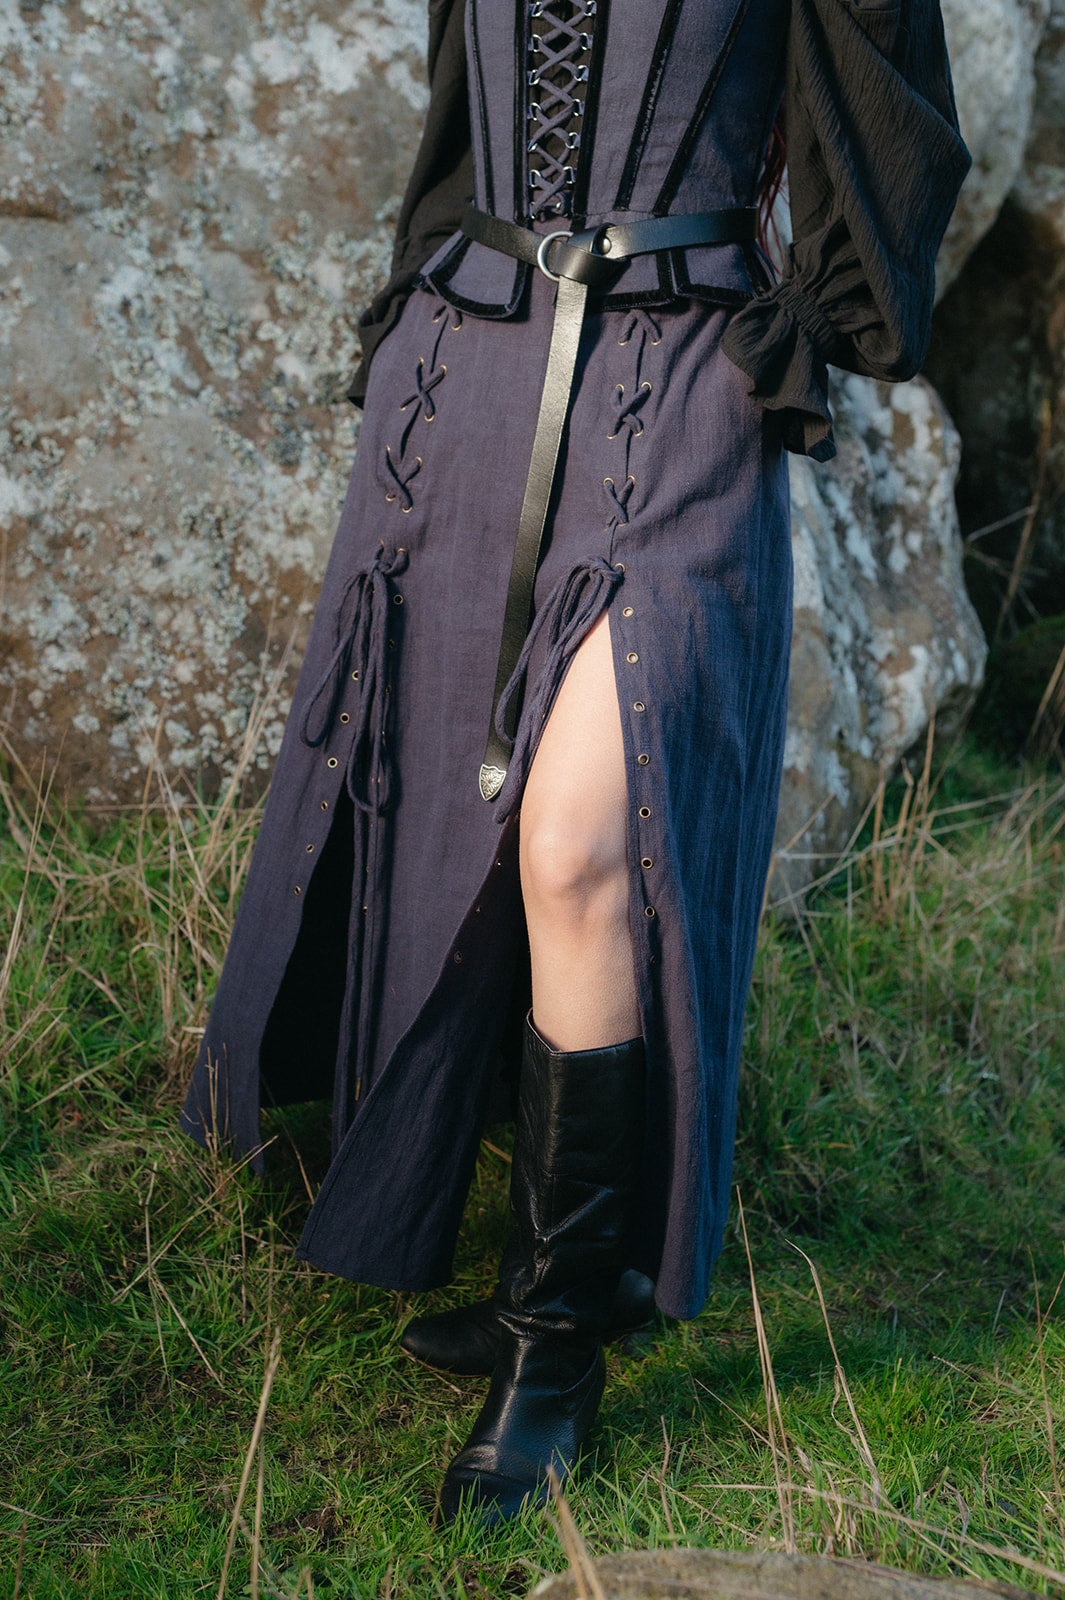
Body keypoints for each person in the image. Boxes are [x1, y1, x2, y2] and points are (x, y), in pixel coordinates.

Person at [181, 0, 969, 1526]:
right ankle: (537, 1263)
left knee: (579, 844)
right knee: (447, 840)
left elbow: (889, 109)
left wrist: (814, 315)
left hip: (680, 376)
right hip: (463, 374)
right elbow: (456, 113)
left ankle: (553, 1347)